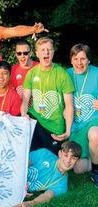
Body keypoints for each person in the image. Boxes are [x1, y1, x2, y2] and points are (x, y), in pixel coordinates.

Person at [20, 37, 74, 155]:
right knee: (30, 156)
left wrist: (68, 130)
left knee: (52, 160)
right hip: (36, 120)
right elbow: (25, 100)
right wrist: (23, 113)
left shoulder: (62, 74)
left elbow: (69, 105)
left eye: (49, 49)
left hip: (54, 126)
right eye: (43, 50)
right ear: (37, 53)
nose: (46, 52)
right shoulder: (31, 73)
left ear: (53, 52)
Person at [66, 44, 98, 184]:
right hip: (75, 125)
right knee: (78, 168)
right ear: (71, 60)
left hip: (93, 120)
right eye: (76, 58)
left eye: (83, 59)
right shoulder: (66, 74)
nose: (79, 63)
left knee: (95, 135)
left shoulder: (96, 73)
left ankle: (96, 172)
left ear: (89, 60)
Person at [15, 141, 82, 207]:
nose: (68, 160)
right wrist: (20, 180)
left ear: (77, 161)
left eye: (73, 158)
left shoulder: (62, 185)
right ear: (60, 154)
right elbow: (25, 163)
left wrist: (28, 204)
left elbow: (46, 196)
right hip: (13, 174)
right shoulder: (44, 154)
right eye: (66, 155)